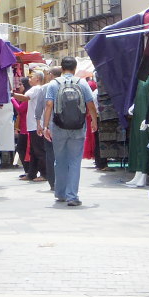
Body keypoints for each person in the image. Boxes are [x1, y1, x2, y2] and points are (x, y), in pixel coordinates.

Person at [41, 57, 98, 207]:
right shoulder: (82, 83)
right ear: (74, 68)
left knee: (59, 160)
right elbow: (90, 104)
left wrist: (45, 126)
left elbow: (48, 105)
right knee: (74, 161)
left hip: (58, 127)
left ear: (61, 67)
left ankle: (60, 193)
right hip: (78, 127)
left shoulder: (53, 84)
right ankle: (72, 196)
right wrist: (94, 122)